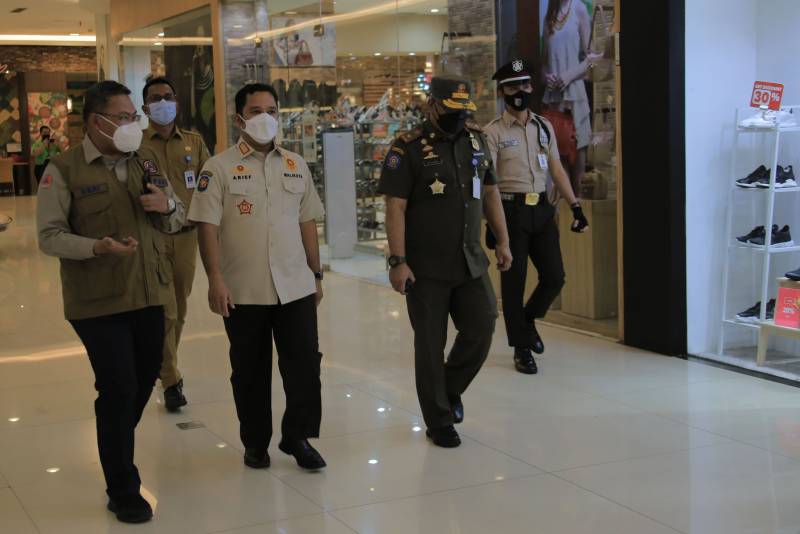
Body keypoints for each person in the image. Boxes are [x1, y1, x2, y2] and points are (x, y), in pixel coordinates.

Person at [36, 80, 185, 524]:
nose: (131, 124)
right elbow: (49, 236)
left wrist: (166, 206)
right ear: (95, 122)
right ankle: (122, 487)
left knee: (143, 380)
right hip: (98, 300)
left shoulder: (146, 159)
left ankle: (115, 439)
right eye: (122, 118)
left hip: (150, 290)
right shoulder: (63, 169)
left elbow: (178, 216)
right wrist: (96, 247)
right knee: (118, 386)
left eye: (132, 117)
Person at [188, 83, 327, 471]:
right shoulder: (218, 168)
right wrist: (215, 279)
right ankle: (255, 442)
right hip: (243, 289)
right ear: (239, 119)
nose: (265, 118)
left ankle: (297, 437)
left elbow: (307, 222)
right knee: (249, 371)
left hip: (295, 285)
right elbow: (207, 227)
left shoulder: (296, 164)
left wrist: (316, 274)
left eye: (271, 111)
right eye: (255, 111)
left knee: (305, 366)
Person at [379, 76, 512, 448]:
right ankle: (438, 420)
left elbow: (490, 192)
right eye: (451, 110)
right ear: (432, 106)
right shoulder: (407, 148)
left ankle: (449, 389)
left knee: (482, 325)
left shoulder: (476, 141)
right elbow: (395, 207)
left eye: (463, 110)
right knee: (430, 345)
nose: (459, 117)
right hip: (426, 268)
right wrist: (398, 261)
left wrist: (503, 240)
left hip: (470, 260)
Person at [484, 59, 589, 375]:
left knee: (555, 277)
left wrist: (575, 206)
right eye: (513, 86)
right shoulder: (493, 132)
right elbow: (489, 184)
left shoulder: (543, 126)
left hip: (541, 210)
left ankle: (528, 320)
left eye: (525, 85)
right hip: (510, 211)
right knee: (513, 283)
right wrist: (493, 224)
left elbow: (556, 168)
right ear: (502, 92)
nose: (520, 91)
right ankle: (521, 348)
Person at [140, 76, 211, 412]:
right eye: (156, 98)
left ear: (177, 103)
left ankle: (164, 365)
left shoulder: (194, 144)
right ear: (145, 107)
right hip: (152, 238)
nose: (163, 103)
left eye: (168, 96)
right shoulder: (136, 146)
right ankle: (170, 378)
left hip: (186, 237)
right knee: (164, 309)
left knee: (179, 309)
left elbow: (209, 187)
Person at [541, 0, 602, 194]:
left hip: (575, 98)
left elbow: (592, 57)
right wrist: (547, 76)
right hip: (554, 101)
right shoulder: (549, 16)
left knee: (579, 175)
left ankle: (580, 212)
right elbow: (544, 63)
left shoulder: (579, 8)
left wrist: (568, 76)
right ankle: (564, 212)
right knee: (559, 176)